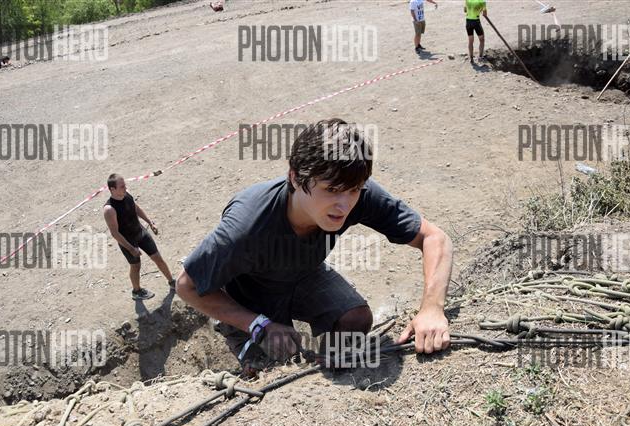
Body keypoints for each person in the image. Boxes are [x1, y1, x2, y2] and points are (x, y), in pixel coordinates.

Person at [176, 119, 454, 372]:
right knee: (275, 369)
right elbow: (186, 286)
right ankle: (247, 341)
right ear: (295, 177)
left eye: (354, 190)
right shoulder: (247, 226)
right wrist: (257, 324)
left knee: (355, 321)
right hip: (248, 296)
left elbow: (434, 238)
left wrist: (432, 308)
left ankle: (322, 366)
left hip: (302, 273)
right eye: (331, 190)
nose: (344, 205)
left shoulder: (356, 192)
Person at [103, 173, 175, 300]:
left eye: (125, 185)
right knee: (136, 266)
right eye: (122, 186)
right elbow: (115, 233)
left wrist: (150, 222)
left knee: (158, 258)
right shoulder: (109, 209)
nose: (125, 188)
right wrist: (131, 248)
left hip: (140, 232)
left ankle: (172, 282)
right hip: (128, 240)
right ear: (112, 189)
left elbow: (136, 208)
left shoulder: (127, 194)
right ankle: (136, 291)